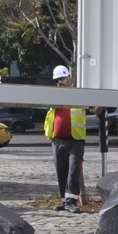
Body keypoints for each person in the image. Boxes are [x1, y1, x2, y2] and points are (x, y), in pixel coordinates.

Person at [46, 65, 88, 213]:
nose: (60, 83)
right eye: (57, 80)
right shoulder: (54, 95)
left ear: (69, 78)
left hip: (75, 140)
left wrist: (102, 103)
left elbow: (94, 108)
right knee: (61, 171)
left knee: (73, 171)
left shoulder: (78, 94)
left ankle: (72, 202)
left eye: (62, 79)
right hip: (57, 139)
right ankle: (64, 201)